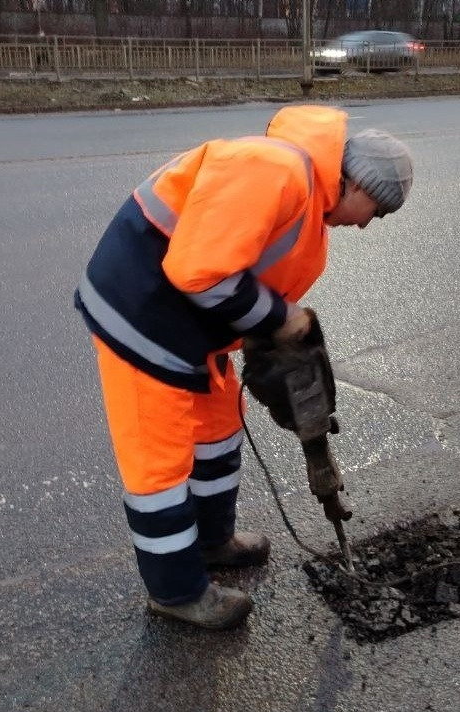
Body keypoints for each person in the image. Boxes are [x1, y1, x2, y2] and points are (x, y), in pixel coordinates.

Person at [74, 105, 413, 630]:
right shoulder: (274, 170)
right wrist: (283, 319)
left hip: (193, 330)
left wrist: (280, 350)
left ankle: (212, 542)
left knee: (219, 435)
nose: (369, 225)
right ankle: (177, 592)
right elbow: (198, 274)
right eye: (377, 210)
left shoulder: (311, 217)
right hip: (141, 314)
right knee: (158, 468)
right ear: (354, 182)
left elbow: (249, 289)